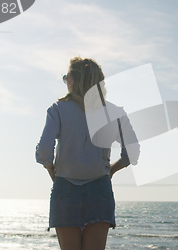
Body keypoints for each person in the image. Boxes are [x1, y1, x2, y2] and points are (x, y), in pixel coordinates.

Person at [35, 57, 140, 250]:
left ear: (74, 80)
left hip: (65, 188)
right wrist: (111, 171)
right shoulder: (114, 112)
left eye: (67, 77)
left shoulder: (58, 109)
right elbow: (132, 152)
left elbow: (43, 152)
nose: (66, 81)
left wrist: (53, 172)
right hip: (99, 189)